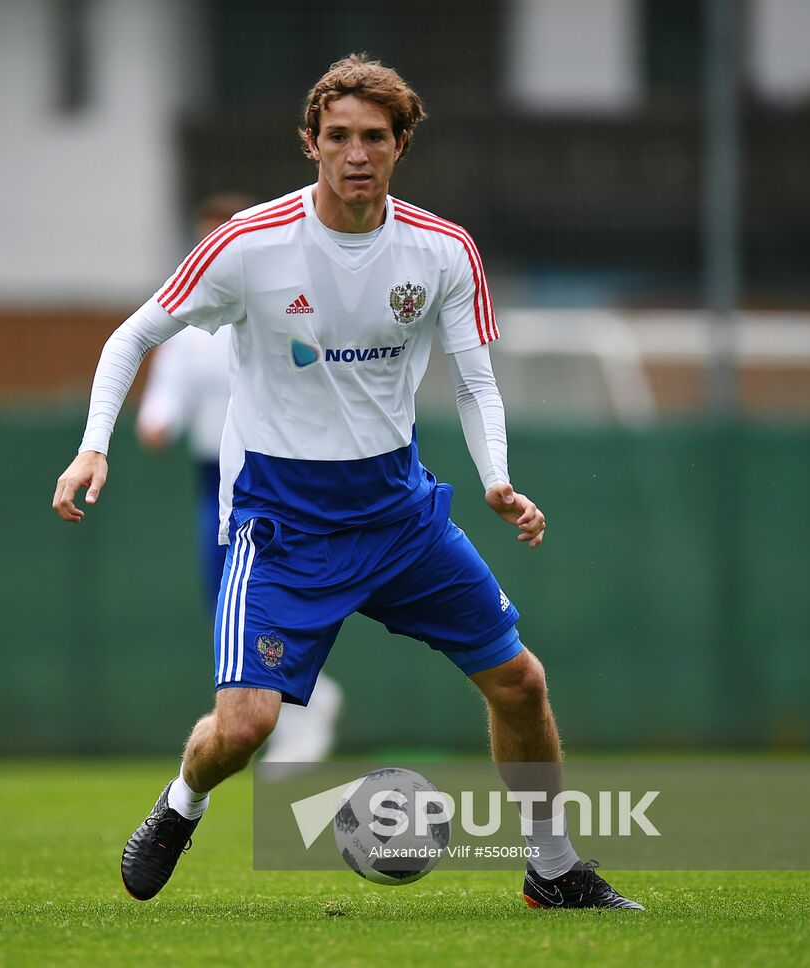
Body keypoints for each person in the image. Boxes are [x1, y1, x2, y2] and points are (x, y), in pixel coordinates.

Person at [52, 54, 642, 910]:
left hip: (400, 516)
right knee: (245, 729)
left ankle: (553, 870)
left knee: (522, 682)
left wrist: (498, 479)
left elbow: (476, 382)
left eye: (374, 137)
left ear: (401, 145)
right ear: (310, 144)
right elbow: (131, 336)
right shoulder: (249, 243)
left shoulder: (442, 251)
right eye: (338, 137)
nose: (355, 154)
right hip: (280, 522)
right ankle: (181, 805)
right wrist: (93, 445)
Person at [136, 193, 344, 765]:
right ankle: (305, 706)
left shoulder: (288, 311)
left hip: (288, 483)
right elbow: (162, 404)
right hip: (217, 489)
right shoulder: (186, 332)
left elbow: (320, 375)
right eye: (210, 238)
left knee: (294, 601)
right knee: (228, 613)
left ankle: (303, 710)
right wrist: (156, 424)